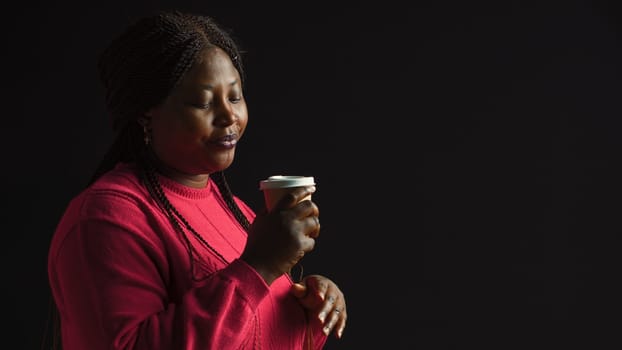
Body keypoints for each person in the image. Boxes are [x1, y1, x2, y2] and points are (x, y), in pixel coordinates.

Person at [47, 10, 347, 350]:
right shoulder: (105, 218)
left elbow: (253, 334)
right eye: (204, 102)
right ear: (147, 112)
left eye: (235, 97)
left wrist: (307, 311)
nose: (229, 116)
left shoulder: (238, 212)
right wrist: (260, 266)